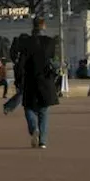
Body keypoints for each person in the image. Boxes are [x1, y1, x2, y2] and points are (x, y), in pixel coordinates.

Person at [20, 20, 59, 149]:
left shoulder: (26, 42)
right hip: (46, 80)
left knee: (28, 107)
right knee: (44, 111)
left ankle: (33, 128)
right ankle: (43, 141)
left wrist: (19, 79)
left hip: (30, 79)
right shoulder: (50, 42)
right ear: (44, 27)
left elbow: (21, 63)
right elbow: (52, 59)